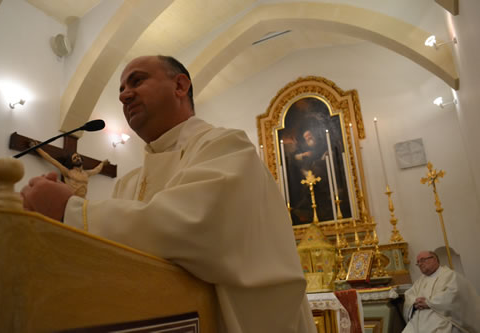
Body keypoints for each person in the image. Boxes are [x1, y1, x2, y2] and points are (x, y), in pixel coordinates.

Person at [21, 55, 317, 333]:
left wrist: (70, 210)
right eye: (121, 89)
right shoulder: (127, 183)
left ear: (180, 86)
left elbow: (195, 229)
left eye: (136, 81)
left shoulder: (226, 147)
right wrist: (49, 225)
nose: (124, 95)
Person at [403, 250, 480, 333]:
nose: (420, 264)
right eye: (418, 263)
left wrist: (429, 303)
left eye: (422, 260)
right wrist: (415, 303)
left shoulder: (450, 275)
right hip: (418, 319)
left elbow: (454, 295)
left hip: (442, 317)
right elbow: (409, 295)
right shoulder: (420, 281)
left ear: (434, 259)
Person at [33, 146, 109, 198]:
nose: (77, 158)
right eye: (74, 158)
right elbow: (50, 159)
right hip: (72, 199)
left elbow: (96, 170)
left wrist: (102, 163)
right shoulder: (68, 172)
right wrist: (37, 149)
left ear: (81, 159)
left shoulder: (86, 173)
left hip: (84, 200)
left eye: (78, 157)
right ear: (71, 162)